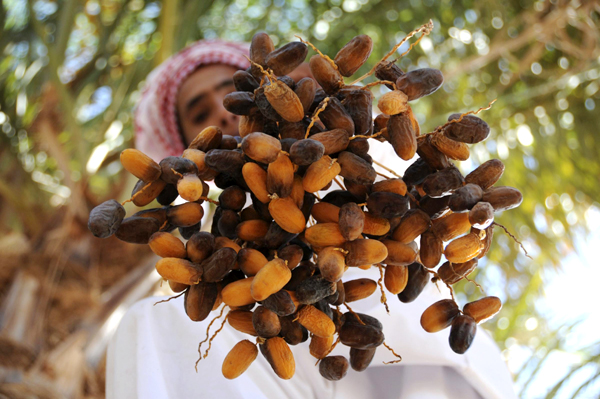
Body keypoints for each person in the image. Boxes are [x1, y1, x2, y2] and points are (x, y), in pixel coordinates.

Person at [106, 39, 518, 399]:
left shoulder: (370, 149)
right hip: (296, 366)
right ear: (189, 148)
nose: (221, 110)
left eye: (226, 89)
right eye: (200, 114)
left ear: (269, 90)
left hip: (423, 369)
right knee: (148, 323)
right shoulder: (211, 222)